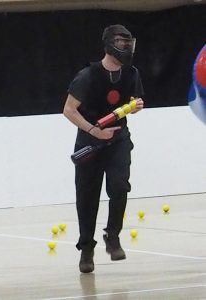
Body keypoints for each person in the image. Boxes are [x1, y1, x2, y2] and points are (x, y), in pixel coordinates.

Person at [63, 24, 144, 273]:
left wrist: (134, 105)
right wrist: (93, 130)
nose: (126, 48)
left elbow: (133, 100)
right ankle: (86, 249)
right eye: (122, 43)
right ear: (109, 45)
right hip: (90, 141)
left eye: (128, 43)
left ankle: (113, 235)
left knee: (120, 187)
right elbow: (68, 110)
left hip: (118, 139)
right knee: (87, 198)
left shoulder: (132, 73)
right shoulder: (87, 76)